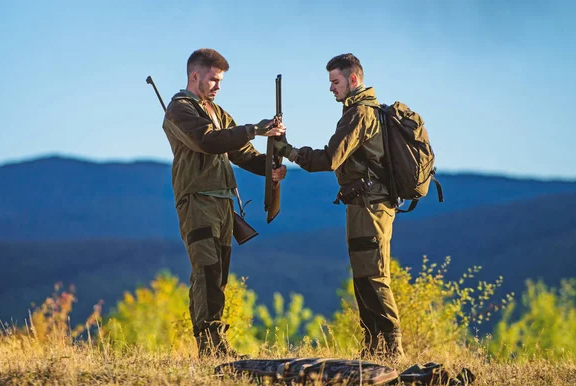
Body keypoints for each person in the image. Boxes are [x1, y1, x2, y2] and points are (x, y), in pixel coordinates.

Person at [274, 53, 405, 359]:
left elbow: (330, 159)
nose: (331, 88)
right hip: (363, 205)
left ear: (353, 79)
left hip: (371, 206)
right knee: (364, 276)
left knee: (373, 276)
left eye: (335, 81)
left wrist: (289, 151)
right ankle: (373, 347)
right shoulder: (361, 112)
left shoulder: (359, 113)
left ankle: (393, 348)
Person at [161, 48, 287, 357]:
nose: (218, 86)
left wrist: (270, 166)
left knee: (218, 277)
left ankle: (216, 345)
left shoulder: (218, 113)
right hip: (197, 201)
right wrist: (254, 130)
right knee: (206, 272)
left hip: (223, 203)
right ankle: (211, 348)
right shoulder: (179, 109)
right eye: (214, 79)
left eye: (221, 81)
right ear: (195, 75)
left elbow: (241, 152)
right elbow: (207, 140)